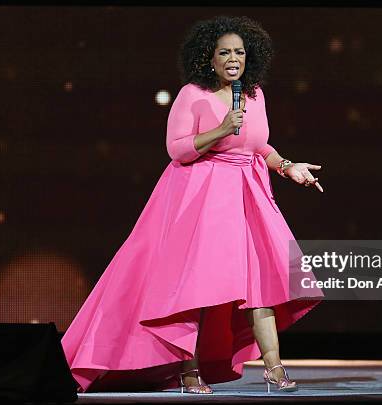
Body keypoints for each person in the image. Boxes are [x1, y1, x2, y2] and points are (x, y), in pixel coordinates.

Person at [61, 15, 324, 395]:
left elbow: (257, 146)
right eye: (225, 53)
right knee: (196, 287)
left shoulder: (254, 95)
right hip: (201, 196)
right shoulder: (192, 94)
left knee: (261, 285)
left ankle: (274, 369)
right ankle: (187, 370)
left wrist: (287, 166)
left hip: (248, 195)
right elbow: (178, 150)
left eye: (240, 52)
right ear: (209, 58)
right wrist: (220, 129)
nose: (234, 59)